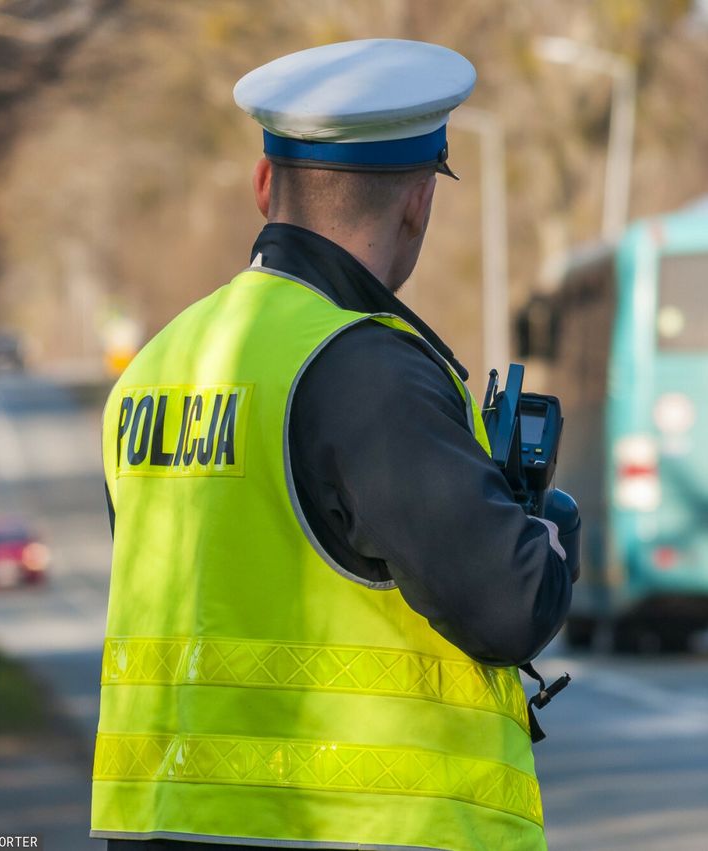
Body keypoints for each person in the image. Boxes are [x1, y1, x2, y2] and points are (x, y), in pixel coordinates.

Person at [91, 39, 576, 851]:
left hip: (162, 826)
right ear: (419, 201)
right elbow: (509, 605)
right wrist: (551, 522)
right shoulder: (367, 369)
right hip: (359, 829)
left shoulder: (152, 369)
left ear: (262, 186)